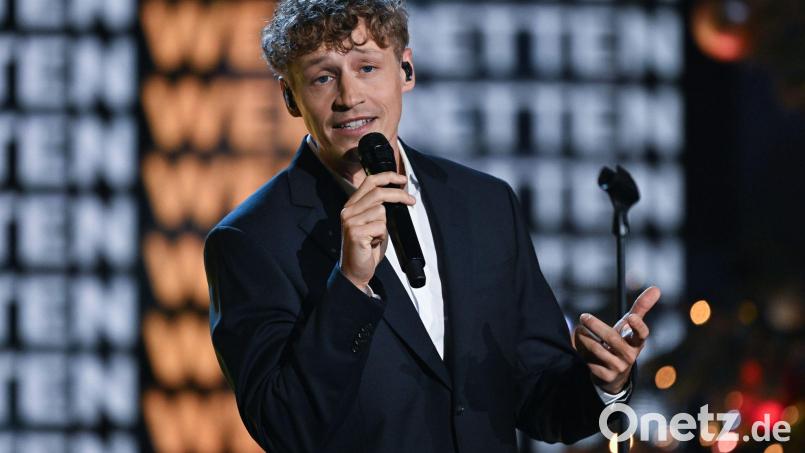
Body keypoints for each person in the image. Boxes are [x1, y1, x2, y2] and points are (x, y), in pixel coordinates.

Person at [203, 1, 660, 452]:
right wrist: (350, 284)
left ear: (406, 70)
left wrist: (604, 382)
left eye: (367, 67)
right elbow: (285, 427)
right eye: (323, 77)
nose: (349, 97)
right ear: (289, 96)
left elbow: (540, 399)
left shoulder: (485, 203)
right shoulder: (250, 241)